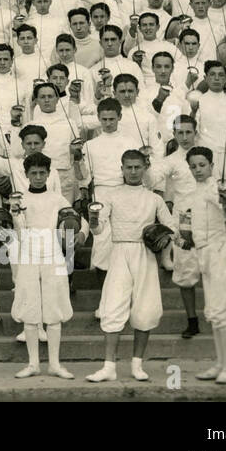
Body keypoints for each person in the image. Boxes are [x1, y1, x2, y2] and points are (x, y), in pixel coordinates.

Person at [85, 149, 178, 382]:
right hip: (119, 253)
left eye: (138, 167)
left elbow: (171, 226)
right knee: (113, 307)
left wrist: (165, 236)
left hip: (145, 254)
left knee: (145, 308)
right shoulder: (111, 196)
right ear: (122, 169)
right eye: (129, 167)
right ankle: (109, 367)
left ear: (145, 168)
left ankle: (137, 365)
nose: (133, 171)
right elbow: (98, 229)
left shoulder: (154, 199)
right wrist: (94, 219)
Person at [10, 152, 81, 379]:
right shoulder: (19, 200)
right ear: (26, 174)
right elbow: (18, 234)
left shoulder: (58, 199)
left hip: (52, 256)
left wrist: (78, 233)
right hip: (29, 256)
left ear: (49, 174)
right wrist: (15, 214)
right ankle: (33, 364)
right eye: (34, 173)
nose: (38, 177)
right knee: (30, 311)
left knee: (54, 311)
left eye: (42, 173)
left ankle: (54, 364)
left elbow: (73, 223)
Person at [174, 146, 226, 383]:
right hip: (203, 254)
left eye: (202, 165)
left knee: (221, 311)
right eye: (193, 166)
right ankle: (220, 363)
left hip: (220, 252)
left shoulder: (216, 187)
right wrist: (184, 238)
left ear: (211, 165)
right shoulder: (195, 192)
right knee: (213, 311)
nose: (198, 170)